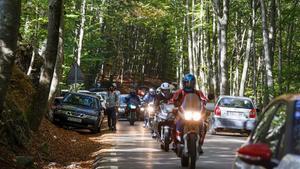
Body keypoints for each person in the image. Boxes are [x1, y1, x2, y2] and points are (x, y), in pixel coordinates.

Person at [172, 73, 208, 154]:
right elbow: (174, 100)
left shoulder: (198, 92)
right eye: (187, 82)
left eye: (191, 83)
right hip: (183, 112)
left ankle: (200, 144)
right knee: (174, 124)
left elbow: (204, 99)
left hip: (195, 113)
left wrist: (205, 101)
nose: (189, 84)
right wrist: (175, 103)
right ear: (184, 83)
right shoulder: (180, 92)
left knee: (204, 125)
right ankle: (175, 142)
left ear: (194, 83)